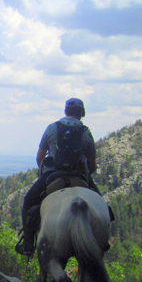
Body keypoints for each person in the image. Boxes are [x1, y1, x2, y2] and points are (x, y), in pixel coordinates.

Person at [15, 98, 98, 257]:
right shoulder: (86, 132)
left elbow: (40, 157)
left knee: (27, 202)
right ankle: (102, 241)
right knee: (104, 207)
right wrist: (87, 176)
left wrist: (44, 172)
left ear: (66, 111)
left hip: (52, 174)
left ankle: (28, 244)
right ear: (81, 113)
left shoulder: (52, 128)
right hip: (79, 175)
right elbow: (92, 162)